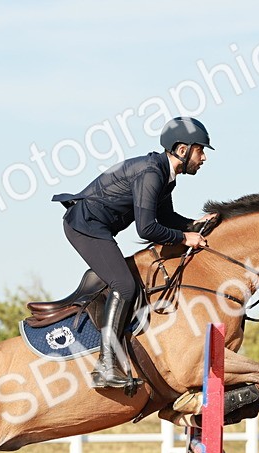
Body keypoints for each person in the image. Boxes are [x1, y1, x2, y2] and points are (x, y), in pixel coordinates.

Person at [52, 116, 215, 392]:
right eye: (201, 150)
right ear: (183, 150)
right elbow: (148, 228)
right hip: (84, 225)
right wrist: (186, 237)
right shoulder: (152, 173)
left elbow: (166, 217)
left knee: (127, 281)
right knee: (125, 285)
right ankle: (105, 366)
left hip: (96, 226)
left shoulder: (165, 176)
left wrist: (194, 224)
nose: (203, 158)